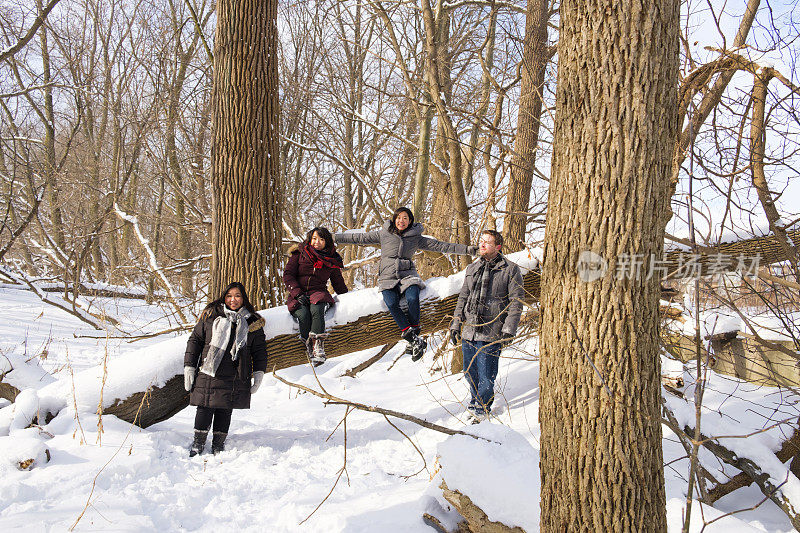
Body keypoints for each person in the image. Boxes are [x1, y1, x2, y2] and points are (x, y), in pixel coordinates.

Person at [336, 207, 477, 361]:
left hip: (408, 275)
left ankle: (413, 339)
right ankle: (413, 339)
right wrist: (332, 238)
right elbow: (359, 238)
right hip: (387, 277)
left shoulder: (416, 238)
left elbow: (442, 246)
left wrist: (469, 250)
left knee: (412, 298)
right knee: (391, 302)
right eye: (399, 217)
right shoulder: (384, 233)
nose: (401, 221)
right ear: (394, 219)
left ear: (410, 221)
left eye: (405, 218)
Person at [183, 282, 267, 456]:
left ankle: (218, 444)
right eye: (229, 296)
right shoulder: (211, 315)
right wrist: (189, 366)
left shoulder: (252, 322)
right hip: (210, 369)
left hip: (236, 372)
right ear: (224, 297)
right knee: (204, 407)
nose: (233, 300)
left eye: (237, 296)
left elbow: (259, 351)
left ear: (243, 298)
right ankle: (198, 442)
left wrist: (259, 373)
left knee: (225, 408)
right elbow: (195, 341)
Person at [450, 230, 524, 423]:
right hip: (470, 330)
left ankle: (482, 408)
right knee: (469, 371)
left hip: (492, 330)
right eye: (481, 241)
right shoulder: (472, 268)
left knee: (486, 374)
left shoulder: (510, 269)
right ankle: (475, 402)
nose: (482, 245)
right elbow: (463, 298)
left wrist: (509, 329)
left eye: (487, 242)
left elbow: (516, 301)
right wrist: (456, 323)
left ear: (498, 247)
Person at [283, 227, 348, 366]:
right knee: (304, 314)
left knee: (316, 310)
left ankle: (318, 346)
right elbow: (288, 275)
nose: (317, 242)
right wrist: (297, 293)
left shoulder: (331, 259)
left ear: (327, 241)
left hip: (318, 292)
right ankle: (308, 346)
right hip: (297, 293)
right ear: (309, 239)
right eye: (314, 238)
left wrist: (348, 298)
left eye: (321, 239)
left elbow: (338, 282)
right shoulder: (299, 254)